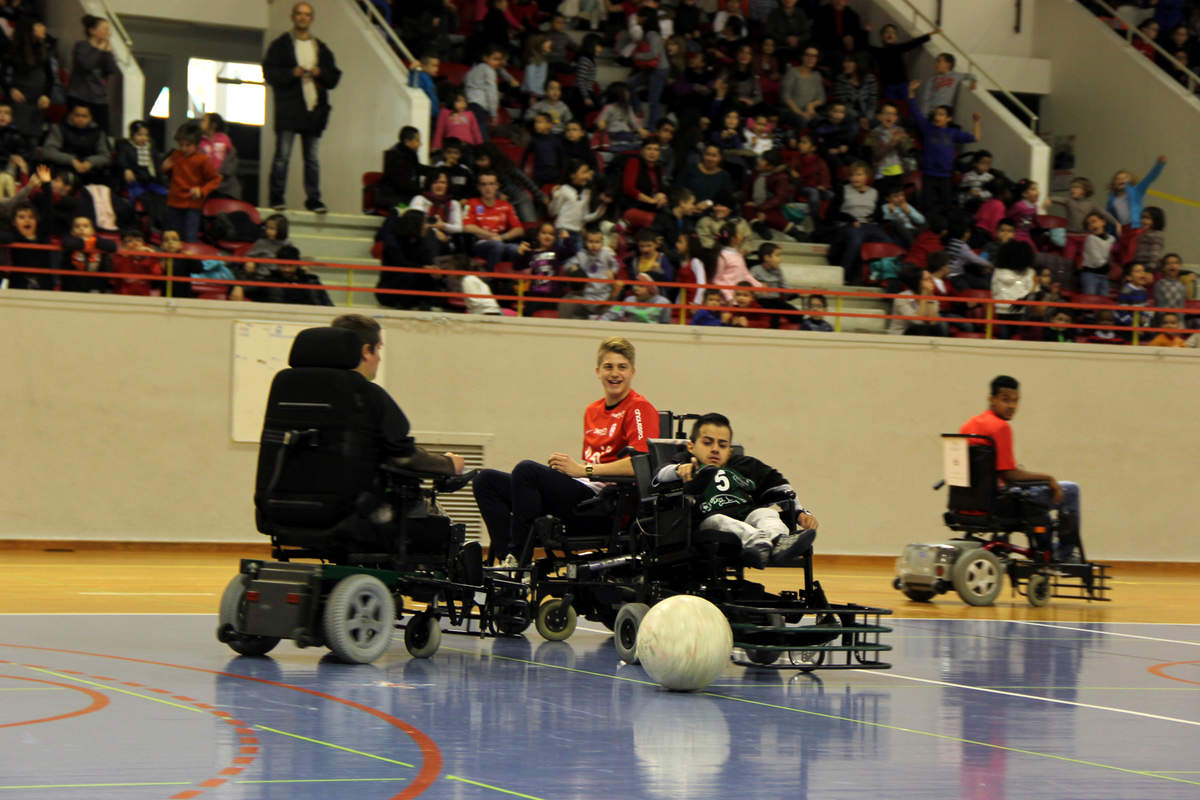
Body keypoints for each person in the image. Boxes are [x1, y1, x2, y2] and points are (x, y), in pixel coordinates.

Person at [472, 336, 660, 564]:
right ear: (598, 371)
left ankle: (519, 561)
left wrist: (583, 469)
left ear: (632, 372)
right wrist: (574, 472)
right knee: (486, 480)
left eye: (622, 367)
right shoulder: (593, 410)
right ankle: (506, 560)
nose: (615, 373)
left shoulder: (639, 407)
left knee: (527, 471)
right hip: (583, 494)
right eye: (608, 367)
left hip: (606, 506)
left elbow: (641, 464)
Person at [653, 413, 818, 568]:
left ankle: (778, 540)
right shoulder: (687, 462)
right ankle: (758, 543)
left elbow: (780, 486)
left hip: (745, 514)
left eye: (722, 445)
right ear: (691, 446)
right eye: (707, 442)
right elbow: (660, 474)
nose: (715, 449)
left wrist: (799, 512)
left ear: (729, 450)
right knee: (720, 520)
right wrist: (679, 470)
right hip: (706, 519)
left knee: (766, 514)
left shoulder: (744, 465)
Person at [959, 375, 1083, 562]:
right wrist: (1049, 478)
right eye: (1005, 399)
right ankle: (1062, 554)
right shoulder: (1000, 427)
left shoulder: (967, 426)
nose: (1012, 406)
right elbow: (1010, 476)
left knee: (1038, 505)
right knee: (1071, 490)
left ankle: (1045, 546)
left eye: (1016, 401)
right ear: (991, 399)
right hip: (1000, 500)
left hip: (968, 502)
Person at [329, 313, 465, 475]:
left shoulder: (291, 388)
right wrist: (448, 464)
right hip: (352, 497)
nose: (379, 358)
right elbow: (403, 456)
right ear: (366, 351)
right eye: (378, 348)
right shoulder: (368, 394)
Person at [263, 2, 342, 213]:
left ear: (312, 19)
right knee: (282, 157)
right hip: (289, 109)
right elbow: (269, 73)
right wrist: (291, 73)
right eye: (299, 14)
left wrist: (320, 72)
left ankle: (314, 199)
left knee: (312, 159)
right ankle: (277, 198)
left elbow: (334, 77)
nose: (303, 18)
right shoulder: (280, 45)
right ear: (293, 16)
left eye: (307, 15)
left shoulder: (320, 48)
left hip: (314, 111)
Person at [908, 79, 980, 216]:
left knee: (946, 207)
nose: (937, 116)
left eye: (941, 114)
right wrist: (911, 92)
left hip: (946, 176)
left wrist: (976, 122)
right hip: (929, 174)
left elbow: (975, 138)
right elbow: (915, 112)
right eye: (936, 114)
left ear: (948, 118)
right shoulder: (927, 128)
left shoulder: (952, 133)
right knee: (927, 206)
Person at [161, 122, 222, 242]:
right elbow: (173, 176)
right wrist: (165, 169)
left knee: (189, 238)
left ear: (197, 144)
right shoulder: (176, 155)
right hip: (174, 202)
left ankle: (189, 260)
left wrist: (202, 190)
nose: (183, 148)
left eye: (188, 145)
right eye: (181, 145)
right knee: (172, 237)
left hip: (192, 204)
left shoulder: (203, 160)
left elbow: (215, 179)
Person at [462, 169, 525, 270]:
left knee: (516, 249)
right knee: (497, 246)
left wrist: (502, 237)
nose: (488, 188)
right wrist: (491, 235)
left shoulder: (506, 205)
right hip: (479, 244)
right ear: (479, 187)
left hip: (501, 241)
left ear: (497, 186)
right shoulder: (470, 203)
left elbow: (519, 230)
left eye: (491, 184)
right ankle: (492, 279)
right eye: (484, 184)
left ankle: (512, 281)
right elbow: (466, 227)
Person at [66, 15, 118, 134]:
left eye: (108, 29)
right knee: (76, 130)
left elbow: (111, 69)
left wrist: (108, 52)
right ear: (92, 31)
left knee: (102, 132)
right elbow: (87, 64)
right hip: (80, 96)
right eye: (104, 29)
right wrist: (99, 49)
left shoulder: (106, 49)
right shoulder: (81, 46)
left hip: (99, 97)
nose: (108, 33)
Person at [42, 104, 111, 184]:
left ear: (91, 118)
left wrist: (90, 162)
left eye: (84, 116)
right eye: (77, 115)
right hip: (63, 170)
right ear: (70, 116)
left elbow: (105, 156)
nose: (80, 119)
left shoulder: (98, 133)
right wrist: (71, 161)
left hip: (91, 172)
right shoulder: (59, 129)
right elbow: (48, 152)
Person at [915, 52, 976, 117]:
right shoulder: (932, 79)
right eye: (936, 61)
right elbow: (926, 98)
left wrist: (974, 82)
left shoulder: (956, 76)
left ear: (948, 64)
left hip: (945, 114)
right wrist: (924, 115)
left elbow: (972, 76)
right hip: (932, 112)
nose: (936, 64)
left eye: (939, 61)